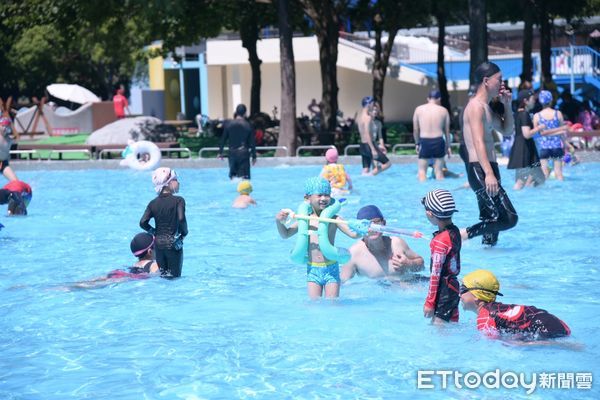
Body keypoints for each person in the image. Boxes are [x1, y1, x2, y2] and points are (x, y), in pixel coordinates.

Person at [275, 177, 361, 299]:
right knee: (314, 305)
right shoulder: (305, 220)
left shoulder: (334, 219)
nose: (324, 198)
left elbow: (352, 234)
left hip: (331, 268)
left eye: (327, 195)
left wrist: (360, 230)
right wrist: (279, 222)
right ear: (307, 198)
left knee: (333, 304)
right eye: (319, 195)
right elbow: (285, 234)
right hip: (313, 269)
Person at [461, 61, 518, 247]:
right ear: (486, 81)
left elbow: (508, 130)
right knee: (509, 218)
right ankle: (462, 234)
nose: (502, 84)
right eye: (499, 79)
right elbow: (478, 142)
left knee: (492, 221)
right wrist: (489, 173)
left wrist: (507, 105)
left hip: (488, 168)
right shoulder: (475, 107)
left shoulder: (486, 107)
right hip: (480, 169)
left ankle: (487, 257)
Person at [460, 269, 571, 340]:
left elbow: (490, 347)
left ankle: (567, 346)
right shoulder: (493, 310)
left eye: (463, 289)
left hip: (548, 328)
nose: (459, 294)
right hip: (552, 321)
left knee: (513, 344)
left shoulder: (485, 316)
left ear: (476, 295)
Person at [341, 205, 424, 282]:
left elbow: (421, 265)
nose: (373, 228)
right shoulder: (353, 254)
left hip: (407, 286)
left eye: (376, 223)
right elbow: (342, 285)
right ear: (359, 228)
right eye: (367, 225)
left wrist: (409, 263)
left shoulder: (396, 243)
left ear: (384, 223)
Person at [421, 189, 462, 324]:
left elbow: (435, 274)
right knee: (452, 326)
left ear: (429, 213)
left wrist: (429, 302)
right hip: (454, 287)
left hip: (443, 291)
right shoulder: (454, 231)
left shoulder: (440, 241)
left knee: (438, 330)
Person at [140, 167, 188, 278]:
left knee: (163, 277)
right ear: (169, 182)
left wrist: (155, 232)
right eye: (176, 179)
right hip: (174, 244)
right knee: (174, 278)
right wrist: (184, 233)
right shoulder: (179, 200)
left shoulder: (153, 203)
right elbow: (181, 219)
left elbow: (143, 222)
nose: (178, 182)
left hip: (158, 244)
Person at [67, 232, 160, 290]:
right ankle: (71, 287)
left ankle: (67, 287)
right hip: (128, 276)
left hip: (121, 272)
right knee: (96, 285)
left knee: (94, 281)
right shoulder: (153, 264)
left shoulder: (136, 264)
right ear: (150, 251)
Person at [507, 89, 546, 190]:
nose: (534, 101)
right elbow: (527, 134)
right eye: (532, 99)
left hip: (528, 150)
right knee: (520, 182)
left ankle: (533, 199)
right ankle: (514, 202)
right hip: (523, 150)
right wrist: (539, 128)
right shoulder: (524, 114)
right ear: (525, 101)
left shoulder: (519, 113)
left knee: (541, 178)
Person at [413, 90, 451, 181]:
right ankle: (441, 194)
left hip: (424, 141)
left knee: (422, 172)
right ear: (439, 99)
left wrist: (417, 143)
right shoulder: (444, 111)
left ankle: (423, 194)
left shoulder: (418, 109)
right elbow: (447, 131)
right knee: (439, 172)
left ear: (428, 98)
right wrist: (448, 146)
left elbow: (415, 129)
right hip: (438, 141)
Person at [533, 90, 570, 181]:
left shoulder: (537, 116)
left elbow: (536, 134)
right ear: (551, 100)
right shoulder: (558, 114)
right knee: (559, 173)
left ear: (540, 101)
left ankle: (544, 195)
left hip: (543, 148)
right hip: (557, 147)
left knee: (544, 174)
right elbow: (562, 131)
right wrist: (565, 145)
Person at [218, 104, 257, 180]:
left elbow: (223, 139)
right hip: (244, 154)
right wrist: (254, 156)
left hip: (232, 154)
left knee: (233, 177)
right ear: (245, 113)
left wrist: (220, 152)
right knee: (244, 179)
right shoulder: (248, 125)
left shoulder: (228, 124)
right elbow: (252, 142)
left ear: (236, 112)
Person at [356, 96, 391, 175]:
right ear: (369, 104)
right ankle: (371, 175)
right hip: (369, 145)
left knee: (365, 169)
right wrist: (373, 149)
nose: (373, 105)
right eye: (372, 104)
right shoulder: (368, 118)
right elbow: (367, 134)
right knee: (387, 164)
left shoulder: (359, 117)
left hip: (362, 145)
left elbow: (362, 133)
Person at [0, 117, 18, 182]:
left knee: (15, 181)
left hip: (3, 163)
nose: (5, 128)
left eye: (7, 126)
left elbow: (17, 137)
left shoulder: (9, 139)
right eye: (3, 126)